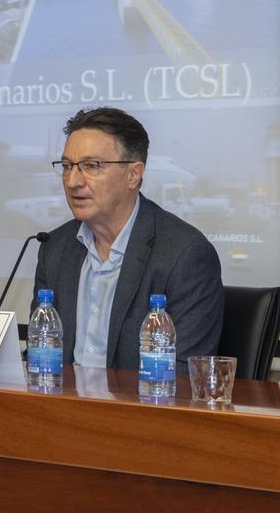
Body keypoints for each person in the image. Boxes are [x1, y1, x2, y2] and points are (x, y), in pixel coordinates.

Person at [33, 107, 223, 372]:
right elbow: (41, 355)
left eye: (91, 166)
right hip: (60, 408)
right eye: (67, 166)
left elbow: (182, 375)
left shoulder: (184, 254)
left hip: (140, 410)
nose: (73, 181)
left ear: (133, 175)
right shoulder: (55, 248)